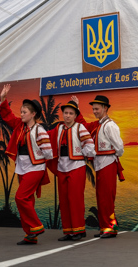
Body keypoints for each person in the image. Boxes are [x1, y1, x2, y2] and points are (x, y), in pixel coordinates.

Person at [0, 84, 53, 245]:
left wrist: (37, 158)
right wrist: (3, 99)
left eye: (24, 112)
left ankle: (36, 226)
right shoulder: (19, 127)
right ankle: (30, 235)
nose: (21, 114)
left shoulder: (40, 131)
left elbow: (48, 153)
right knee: (27, 200)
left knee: (20, 197)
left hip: (35, 168)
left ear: (33, 114)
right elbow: (7, 116)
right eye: (21, 112)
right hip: (22, 167)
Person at [72, 95, 124, 238]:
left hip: (108, 163)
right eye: (93, 109)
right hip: (100, 164)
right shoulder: (97, 125)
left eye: (97, 109)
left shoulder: (110, 126)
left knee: (107, 197)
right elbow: (83, 124)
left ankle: (110, 228)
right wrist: (76, 108)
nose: (94, 111)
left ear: (105, 108)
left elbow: (120, 147)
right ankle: (104, 227)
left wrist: (112, 157)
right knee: (101, 197)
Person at [46, 100, 95, 241]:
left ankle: (79, 230)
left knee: (75, 199)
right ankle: (68, 231)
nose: (67, 116)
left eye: (70, 113)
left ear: (75, 115)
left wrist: (81, 153)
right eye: (65, 113)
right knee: (64, 200)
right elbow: (45, 136)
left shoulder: (80, 128)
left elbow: (89, 146)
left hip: (76, 167)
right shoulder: (59, 128)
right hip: (62, 167)